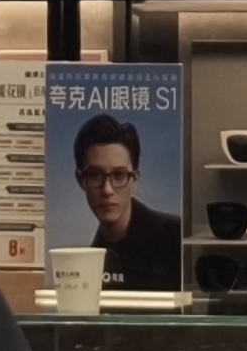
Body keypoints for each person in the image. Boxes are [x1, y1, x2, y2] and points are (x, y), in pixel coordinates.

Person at [71, 113, 185, 291]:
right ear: (81, 180)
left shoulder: (177, 237)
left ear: (135, 180)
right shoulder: (91, 261)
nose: (107, 190)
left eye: (119, 175)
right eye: (95, 175)